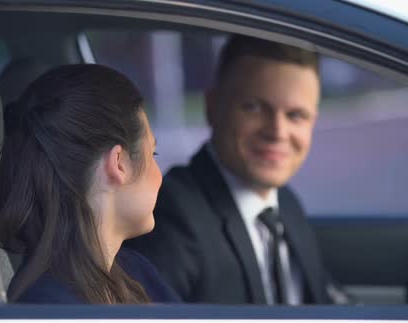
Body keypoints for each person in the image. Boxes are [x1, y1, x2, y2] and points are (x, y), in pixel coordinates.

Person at [125, 35, 349, 305]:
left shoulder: (287, 206)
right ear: (212, 107)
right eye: (254, 108)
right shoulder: (170, 213)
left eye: (296, 115)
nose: (277, 132)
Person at [0, 64, 178, 304]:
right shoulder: (51, 310)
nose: (158, 173)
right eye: (154, 154)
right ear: (118, 163)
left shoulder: (136, 272)